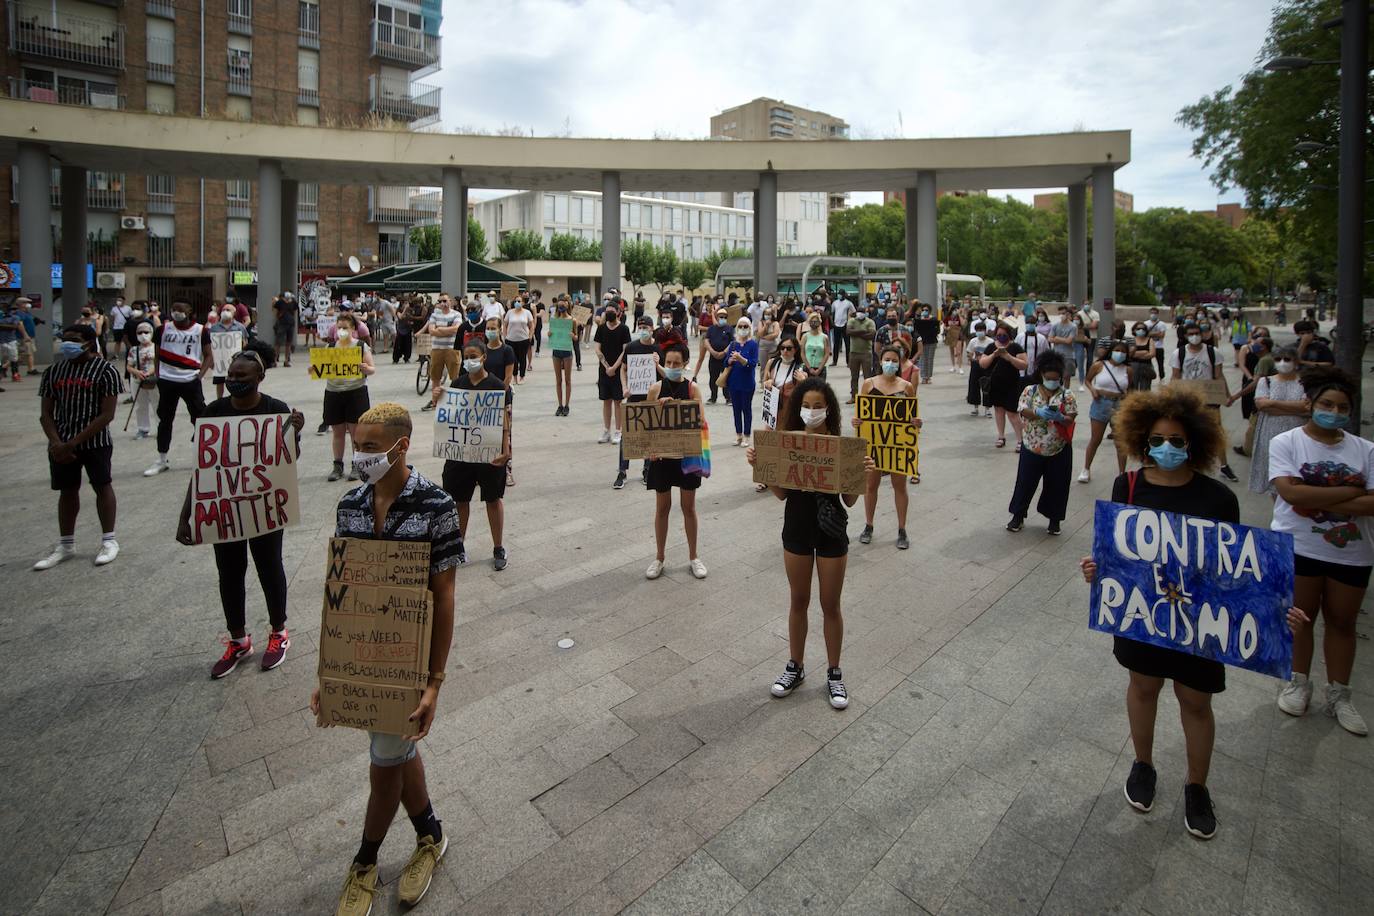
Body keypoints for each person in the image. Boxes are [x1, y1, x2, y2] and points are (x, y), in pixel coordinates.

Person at [309, 403, 459, 916]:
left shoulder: (437, 505)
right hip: (361, 659)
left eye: (370, 447)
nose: (360, 455)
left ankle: (365, 861)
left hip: (407, 663)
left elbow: (444, 596)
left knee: (384, 761)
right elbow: (341, 590)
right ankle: (430, 837)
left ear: (401, 446)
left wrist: (434, 682)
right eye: (357, 445)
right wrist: (329, 672)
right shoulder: (350, 504)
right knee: (396, 751)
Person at [1079, 387, 1236, 840]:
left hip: (1194, 622)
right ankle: (1143, 764)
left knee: (1195, 702)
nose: (1167, 447)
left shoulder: (1219, 499)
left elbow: (1235, 570)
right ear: (1143, 441)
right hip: (1141, 617)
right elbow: (1115, 555)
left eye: (1178, 440)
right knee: (1143, 687)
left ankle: (1197, 786)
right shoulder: (1127, 486)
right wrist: (1097, 570)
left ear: (1195, 443)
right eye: (1158, 439)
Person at [747, 377, 874, 710]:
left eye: (818, 406)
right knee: (798, 600)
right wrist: (763, 466)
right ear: (797, 408)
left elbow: (848, 500)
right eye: (806, 405)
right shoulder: (788, 443)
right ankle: (795, 666)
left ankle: (834, 672)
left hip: (831, 529)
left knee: (830, 604)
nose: (812, 411)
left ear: (828, 409)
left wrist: (861, 476)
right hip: (797, 527)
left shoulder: (843, 446)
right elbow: (781, 494)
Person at [174, 345, 302, 676]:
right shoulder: (213, 412)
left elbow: (288, 460)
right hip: (225, 509)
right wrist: (186, 515)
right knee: (229, 573)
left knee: (269, 567)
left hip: (262, 507)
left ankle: (278, 632)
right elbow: (203, 469)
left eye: (241, 376)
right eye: (230, 375)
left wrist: (294, 432)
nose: (234, 381)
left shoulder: (275, 409)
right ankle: (238, 639)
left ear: (259, 377)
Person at [1271, 368, 1374, 736]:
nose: (1334, 411)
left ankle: (1340, 693)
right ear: (1310, 404)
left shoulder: (1366, 451)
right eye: (1326, 404)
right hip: (1299, 546)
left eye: (1342, 406)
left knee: (1342, 623)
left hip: (1352, 553)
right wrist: (1352, 493)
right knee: (1301, 618)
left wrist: (1315, 493)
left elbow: (1372, 505)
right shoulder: (1287, 442)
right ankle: (1299, 682)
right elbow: (1292, 494)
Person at [34, 323, 122, 570]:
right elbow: (46, 414)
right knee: (67, 491)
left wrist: (73, 442)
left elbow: (107, 415)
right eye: (64, 339)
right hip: (60, 443)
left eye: (73, 339)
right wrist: (56, 443)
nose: (67, 344)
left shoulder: (105, 371)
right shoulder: (54, 372)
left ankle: (109, 540)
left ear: (88, 342)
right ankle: (66, 544)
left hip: (94, 442)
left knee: (102, 486)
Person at [441, 340, 512, 571]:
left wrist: (506, 449)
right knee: (460, 500)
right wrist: (438, 398)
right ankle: (458, 547)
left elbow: (504, 421)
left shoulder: (498, 386)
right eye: (466, 355)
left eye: (474, 355)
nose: (469, 359)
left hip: (489, 454)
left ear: (483, 358)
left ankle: (498, 546)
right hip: (461, 454)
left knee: (493, 499)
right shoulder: (457, 384)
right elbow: (448, 417)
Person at [643, 345, 707, 580]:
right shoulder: (655, 389)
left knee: (688, 507)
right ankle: (659, 557)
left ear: (684, 363)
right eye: (668, 363)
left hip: (687, 456)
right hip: (662, 457)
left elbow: (700, 420)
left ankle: (694, 557)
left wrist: (678, 407)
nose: (671, 367)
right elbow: (646, 426)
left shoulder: (693, 389)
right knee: (662, 508)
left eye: (676, 363)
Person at [855, 346, 920, 549]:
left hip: (897, 445)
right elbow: (861, 414)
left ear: (899, 363)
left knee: (899, 486)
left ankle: (902, 529)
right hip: (874, 444)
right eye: (887, 359)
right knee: (870, 486)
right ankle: (869, 525)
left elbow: (913, 415)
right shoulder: (868, 384)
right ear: (880, 361)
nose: (890, 363)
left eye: (894, 360)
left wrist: (916, 423)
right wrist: (856, 422)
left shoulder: (906, 387)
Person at [1007, 352, 1077, 534]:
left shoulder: (1067, 395)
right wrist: (1039, 412)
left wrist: (1060, 417)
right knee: (1025, 482)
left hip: (1058, 448)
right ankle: (1018, 516)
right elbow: (1022, 410)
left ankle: (1054, 520)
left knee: (1058, 485)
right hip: (1032, 446)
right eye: (1048, 378)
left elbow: (1071, 418)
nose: (1052, 382)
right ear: (1041, 375)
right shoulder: (1030, 391)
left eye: (1055, 379)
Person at [144, 301, 213, 477]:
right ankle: (162, 458)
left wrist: (199, 376)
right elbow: (157, 355)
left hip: (190, 379)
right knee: (165, 420)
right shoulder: (162, 330)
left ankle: (202, 456)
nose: (176, 313)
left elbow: (208, 356)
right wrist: (158, 375)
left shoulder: (200, 330)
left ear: (189, 311)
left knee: (199, 418)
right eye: (174, 310)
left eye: (180, 310)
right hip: (167, 380)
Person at [1169, 322, 1238, 482]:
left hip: (1209, 398)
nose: (1194, 336)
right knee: (1187, 431)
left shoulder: (1213, 352)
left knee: (1216, 430)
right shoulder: (1178, 354)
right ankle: (1187, 463)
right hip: (1187, 399)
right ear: (1185, 336)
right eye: (1191, 333)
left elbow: (1219, 375)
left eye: (1197, 333)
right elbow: (1175, 377)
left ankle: (1224, 465)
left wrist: (1226, 395)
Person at [312, 313, 375, 482]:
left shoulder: (361, 346)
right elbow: (318, 369)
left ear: (353, 329)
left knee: (355, 432)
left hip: (356, 392)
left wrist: (365, 368)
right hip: (333, 393)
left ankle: (357, 465)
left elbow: (372, 369)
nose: (341, 331)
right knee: (337, 432)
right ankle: (337, 465)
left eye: (345, 328)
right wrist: (314, 368)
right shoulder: (331, 348)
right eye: (339, 327)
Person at [1246, 347, 1306, 494]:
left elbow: (1307, 408)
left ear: (1296, 362)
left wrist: (1272, 403)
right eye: (1278, 359)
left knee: (1296, 471)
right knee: (1273, 471)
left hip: (1298, 432)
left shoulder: (1305, 383)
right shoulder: (1265, 381)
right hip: (1270, 432)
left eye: (1287, 359)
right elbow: (1262, 405)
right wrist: (1296, 408)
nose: (1282, 363)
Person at [616, 316, 661, 489]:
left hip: (651, 400)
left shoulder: (658, 349)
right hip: (633, 397)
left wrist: (658, 364)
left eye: (646, 327)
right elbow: (623, 369)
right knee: (627, 435)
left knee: (649, 435)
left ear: (652, 329)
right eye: (640, 326)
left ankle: (647, 469)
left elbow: (664, 375)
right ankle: (622, 471)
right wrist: (624, 387)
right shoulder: (631, 347)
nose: (643, 329)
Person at [1078, 340, 1130, 483]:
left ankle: (1121, 473)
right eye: (1117, 350)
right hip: (1101, 402)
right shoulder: (1099, 365)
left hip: (1119, 404)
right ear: (1111, 351)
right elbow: (1088, 380)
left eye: (1123, 351)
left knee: (1120, 441)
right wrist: (1093, 390)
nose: (1120, 354)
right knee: (1096, 439)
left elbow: (1129, 388)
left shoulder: (1127, 369)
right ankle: (1086, 469)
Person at [978, 322, 1027, 449]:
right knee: (999, 411)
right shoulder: (990, 347)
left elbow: (1024, 364)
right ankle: (1001, 436)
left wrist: (1009, 357)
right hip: (995, 385)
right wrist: (994, 354)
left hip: (1012, 385)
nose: (1001, 337)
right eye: (999, 334)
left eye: (1004, 335)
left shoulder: (1015, 347)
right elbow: (983, 364)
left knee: (1012, 413)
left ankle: (1020, 440)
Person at [594, 305, 631, 443]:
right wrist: (606, 367)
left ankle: (618, 431)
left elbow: (625, 350)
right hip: (604, 371)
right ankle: (606, 430)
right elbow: (597, 348)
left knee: (618, 401)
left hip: (618, 372)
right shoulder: (601, 328)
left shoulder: (624, 329)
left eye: (612, 311)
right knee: (606, 401)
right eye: (607, 311)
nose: (609, 313)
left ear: (618, 313)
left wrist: (614, 368)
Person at [420, 294, 463, 411]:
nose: (442, 303)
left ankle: (456, 401)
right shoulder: (434, 315)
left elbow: (456, 329)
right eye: (440, 301)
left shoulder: (456, 314)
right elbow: (432, 331)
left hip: (452, 349)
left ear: (450, 301)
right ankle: (435, 401)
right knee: (435, 377)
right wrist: (446, 330)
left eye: (445, 300)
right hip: (437, 349)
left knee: (455, 376)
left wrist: (440, 329)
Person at [723, 317, 759, 446]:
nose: (743, 329)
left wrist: (741, 359)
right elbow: (725, 362)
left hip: (747, 383)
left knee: (746, 409)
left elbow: (753, 363)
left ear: (749, 328)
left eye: (745, 327)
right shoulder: (733, 344)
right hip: (734, 382)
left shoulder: (753, 344)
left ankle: (747, 435)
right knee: (736, 410)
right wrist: (730, 360)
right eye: (740, 326)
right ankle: (738, 434)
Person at [693, 304, 734, 405]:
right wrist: (713, 352)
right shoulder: (711, 329)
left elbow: (732, 342)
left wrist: (724, 352)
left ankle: (728, 398)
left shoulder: (729, 329)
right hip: (713, 357)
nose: (722, 319)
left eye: (724, 317)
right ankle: (713, 397)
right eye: (720, 317)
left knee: (726, 377)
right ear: (717, 317)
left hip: (725, 357)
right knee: (713, 378)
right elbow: (706, 340)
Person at [125, 321, 159, 440]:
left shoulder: (157, 347)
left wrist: (149, 372)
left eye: (146, 332)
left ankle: (161, 427)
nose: (143, 334)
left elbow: (159, 363)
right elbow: (129, 366)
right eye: (140, 332)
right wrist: (137, 372)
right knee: (140, 405)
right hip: (137, 381)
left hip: (153, 380)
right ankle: (143, 428)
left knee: (157, 404)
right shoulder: (133, 350)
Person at [209, 304, 248, 400]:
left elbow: (245, 342)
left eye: (228, 310)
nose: (225, 311)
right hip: (220, 361)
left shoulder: (240, 327)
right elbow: (210, 344)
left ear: (234, 313)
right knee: (219, 382)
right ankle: (219, 399)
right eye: (224, 309)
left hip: (235, 360)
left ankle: (235, 398)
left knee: (236, 380)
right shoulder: (214, 328)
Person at [548, 300, 576, 416]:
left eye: (563, 305)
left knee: (567, 379)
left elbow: (576, 337)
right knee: (558, 380)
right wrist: (549, 334)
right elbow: (551, 334)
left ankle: (567, 405)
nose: (561, 307)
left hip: (567, 351)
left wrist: (573, 336)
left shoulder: (572, 320)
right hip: (556, 351)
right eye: (559, 306)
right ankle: (560, 405)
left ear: (567, 306)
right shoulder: (554, 320)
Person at [845, 302, 876, 403]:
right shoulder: (852, 321)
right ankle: (854, 396)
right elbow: (848, 332)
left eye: (863, 312)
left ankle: (868, 396)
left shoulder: (870, 322)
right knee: (854, 376)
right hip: (854, 353)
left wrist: (856, 333)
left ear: (866, 313)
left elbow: (871, 335)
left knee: (868, 376)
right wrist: (863, 331)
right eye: (859, 311)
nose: (860, 313)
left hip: (866, 353)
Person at [502, 297, 533, 384]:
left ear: (522, 303)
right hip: (511, 339)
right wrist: (505, 336)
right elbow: (505, 325)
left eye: (519, 301)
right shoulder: (510, 312)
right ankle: (514, 377)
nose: (517, 303)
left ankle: (522, 376)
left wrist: (530, 335)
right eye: (515, 301)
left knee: (522, 358)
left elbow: (531, 325)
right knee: (513, 359)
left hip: (523, 339)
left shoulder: (527, 313)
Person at [910, 302, 940, 384]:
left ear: (929, 311)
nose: (924, 311)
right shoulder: (918, 320)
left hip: (932, 342)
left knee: (930, 359)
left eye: (926, 310)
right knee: (923, 360)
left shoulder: (933, 319)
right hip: (922, 342)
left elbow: (937, 330)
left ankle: (929, 377)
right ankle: (923, 377)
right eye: (923, 310)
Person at [755, 303, 780, 387]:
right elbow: (759, 334)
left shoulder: (775, 323)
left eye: (769, 314)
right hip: (763, 347)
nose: (768, 316)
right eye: (766, 314)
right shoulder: (761, 322)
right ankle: (762, 381)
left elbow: (775, 334)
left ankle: (772, 380)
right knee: (763, 365)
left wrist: (764, 337)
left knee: (772, 364)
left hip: (773, 346)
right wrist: (766, 325)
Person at [1127, 321, 1156, 391]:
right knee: (1132, 388)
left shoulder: (1150, 340)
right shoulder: (1131, 340)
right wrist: (1144, 352)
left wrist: (1135, 354)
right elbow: (1128, 354)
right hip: (1133, 366)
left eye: (1143, 329)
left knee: (1145, 389)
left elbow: (1152, 354)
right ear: (1134, 330)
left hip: (1146, 366)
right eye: (1138, 329)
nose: (1141, 330)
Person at [272, 292, 298, 367]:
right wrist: (278, 318)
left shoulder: (293, 302)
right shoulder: (279, 302)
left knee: (288, 342)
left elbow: (294, 312)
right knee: (278, 342)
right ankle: (275, 359)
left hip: (290, 324)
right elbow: (275, 311)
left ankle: (287, 360)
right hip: (282, 324)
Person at [830, 293, 852, 366]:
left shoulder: (848, 303)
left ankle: (848, 362)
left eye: (841, 294)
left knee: (847, 344)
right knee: (836, 344)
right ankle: (834, 361)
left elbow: (853, 312)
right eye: (839, 294)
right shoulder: (835, 303)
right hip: (836, 325)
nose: (840, 295)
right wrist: (832, 322)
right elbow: (832, 313)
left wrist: (849, 320)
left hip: (845, 324)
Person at [944, 301, 965, 374]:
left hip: (958, 334)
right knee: (952, 351)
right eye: (954, 310)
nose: (955, 311)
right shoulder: (948, 317)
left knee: (959, 352)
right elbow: (944, 325)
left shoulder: (959, 317)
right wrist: (947, 328)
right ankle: (953, 366)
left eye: (956, 310)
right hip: (950, 334)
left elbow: (962, 324)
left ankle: (960, 367)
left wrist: (959, 314)